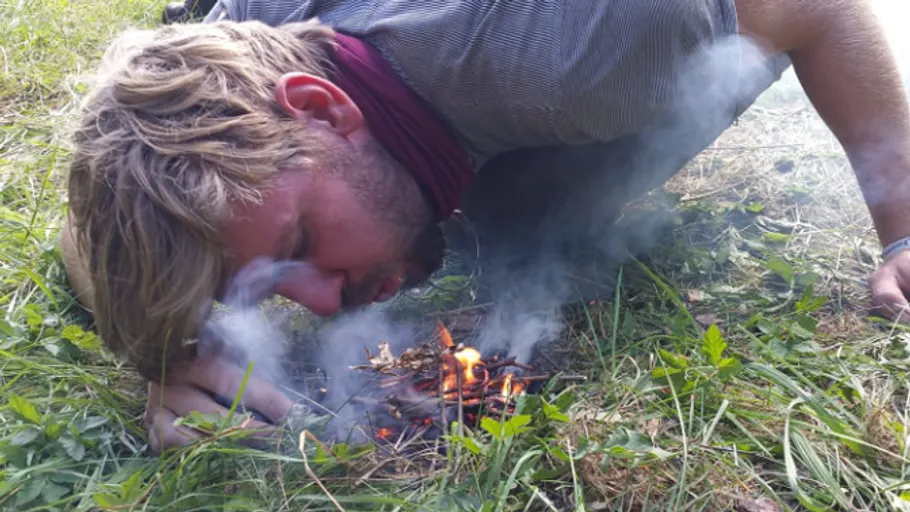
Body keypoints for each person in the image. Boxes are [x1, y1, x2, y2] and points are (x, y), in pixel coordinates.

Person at [60, 0, 910, 452]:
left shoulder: (583, 55)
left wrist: (902, 232)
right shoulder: (239, 75)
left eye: (297, 250)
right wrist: (172, 351)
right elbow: (85, 229)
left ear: (323, 108)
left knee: (529, 220)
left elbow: (825, 7)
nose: (322, 307)